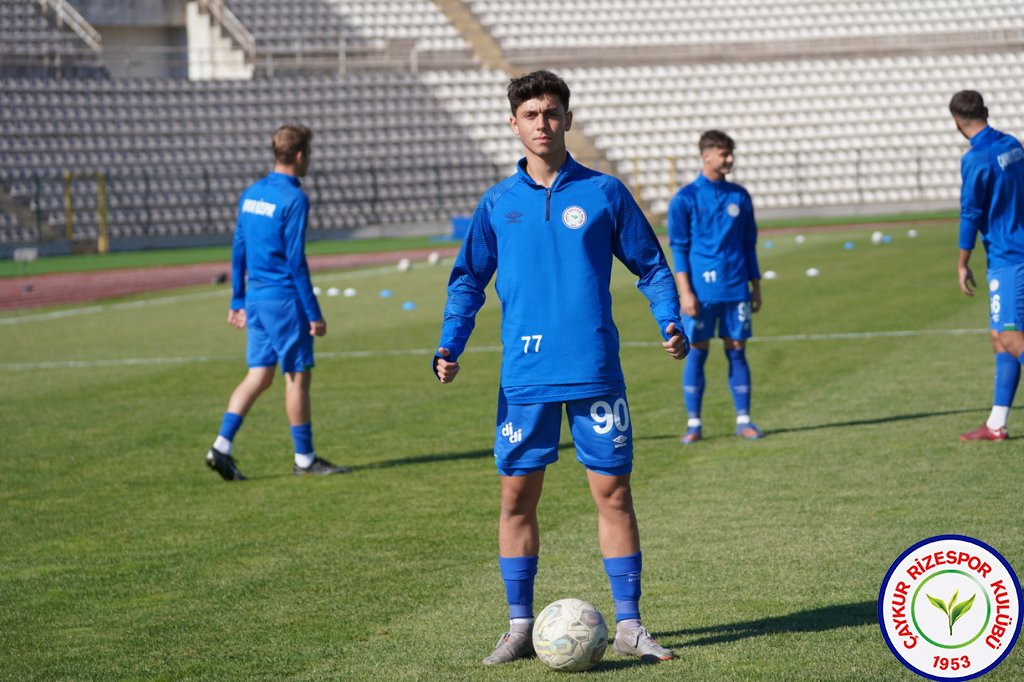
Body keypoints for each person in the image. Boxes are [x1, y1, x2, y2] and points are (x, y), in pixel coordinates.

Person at [433, 70, 689, 666]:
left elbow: (650, 266)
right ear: (514, 124)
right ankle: (520, 626)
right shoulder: (498, 204)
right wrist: (451, 343)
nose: (542, 123)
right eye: (530, 114)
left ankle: (629, 626)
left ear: (567, 119)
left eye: (551, 112)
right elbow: (469, 279)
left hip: (596, 369)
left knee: (614, 494)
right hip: (526, 376)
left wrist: (668, 320)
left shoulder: (604, 193)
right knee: (517, 498)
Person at [205, 124, 349, 480]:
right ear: (300, 156)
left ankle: (221, 446)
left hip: (255, 298)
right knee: (297, 377)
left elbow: (238, 247)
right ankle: (305, 459)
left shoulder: (251, 193)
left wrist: (237, 298)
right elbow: (295, 260)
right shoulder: (294, 198)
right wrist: (313, 312)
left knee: (259, 374)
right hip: (284, 299)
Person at [667, 130, 763, 444]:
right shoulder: (685, 199)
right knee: (697, 353)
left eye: (731, 153)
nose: (730, 159)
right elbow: (679, 248)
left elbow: (749, 244)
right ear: (707, 156)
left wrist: (756, 286)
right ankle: (694, 424)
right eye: (724, 153)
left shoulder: (740, 195)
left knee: (737, 351)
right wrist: (686, 292)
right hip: (702, 293)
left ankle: (744, 420)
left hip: (737, 288)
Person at [950, 90, 1024, 441]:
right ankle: (996, 423)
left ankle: (996, 424)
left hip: (1010, 257)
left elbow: (970, 213)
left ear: (956, 122)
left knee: (1010, 336)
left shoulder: (975, 159)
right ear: (986, 111)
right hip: (1013, 251)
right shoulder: (1012, 145)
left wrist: (962, 262)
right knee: (999, 337)